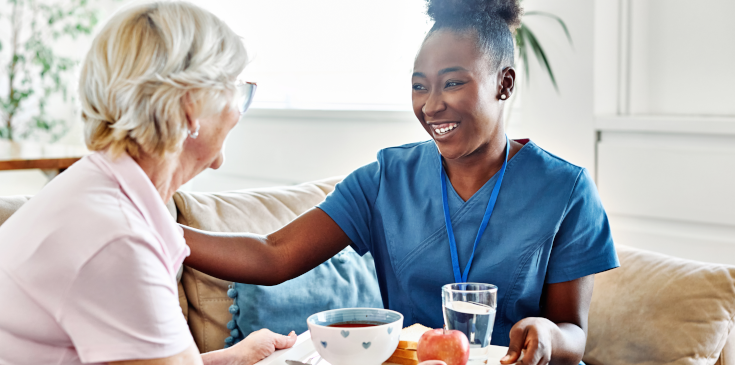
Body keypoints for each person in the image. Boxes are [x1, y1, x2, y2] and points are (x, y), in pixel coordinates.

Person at [182, 0, 619, 364]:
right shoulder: (386, 179)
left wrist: (548, 334)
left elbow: (573, 332)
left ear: (504, 84)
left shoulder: (566, 189)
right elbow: (273, 256)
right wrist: (157, 228)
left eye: (452, 83)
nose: (431, 106)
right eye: (418, 86)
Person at [0, 2, 296, 364]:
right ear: (192, 107)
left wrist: (235, 357)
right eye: (235, 92)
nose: (237, 111)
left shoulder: (103, 193)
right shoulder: (116, 240)